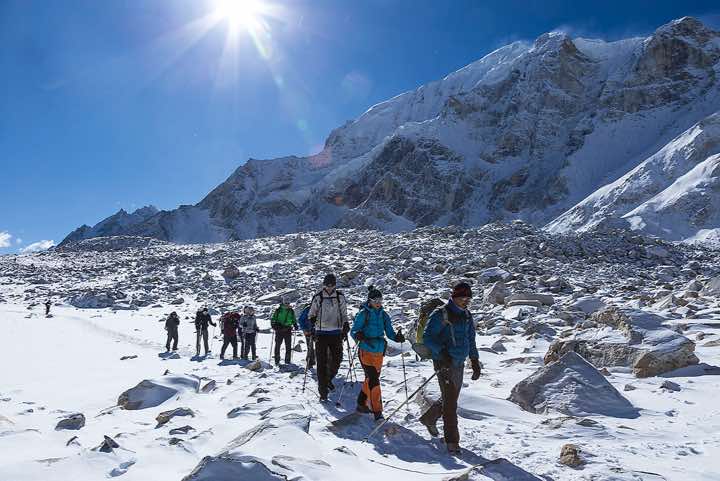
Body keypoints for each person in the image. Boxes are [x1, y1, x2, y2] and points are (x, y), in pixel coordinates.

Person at [418, 282, 482, 454]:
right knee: (451, 403)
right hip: (443, 362)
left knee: (450, 398)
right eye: (462, 297)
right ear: (454, 297)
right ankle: (452, 442)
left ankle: (429, 418)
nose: (465, 301)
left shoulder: (467, 315)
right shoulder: (441, 314)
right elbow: (428, 337)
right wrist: (443, 353)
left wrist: (474, 360)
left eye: (468, 298)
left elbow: (471, 338)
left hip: (458, 362)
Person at [351, 286, 405, 421]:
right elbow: (354, 331)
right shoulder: (364, 313)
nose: (378, 302)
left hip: (379, 352)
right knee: (374, 380)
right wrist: (358, 335)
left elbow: (390, 332)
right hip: (365, 350)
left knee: (371, 379)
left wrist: (397, 338)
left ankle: (361, 403)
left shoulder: (384, 315)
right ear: (369, 301)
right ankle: (377, 411)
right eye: (375, 300)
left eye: (380, 300)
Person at [308, 273, 349, 402]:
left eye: (332, 285)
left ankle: (327, 380)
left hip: (336, 332)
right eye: (327, 285)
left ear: (335, 285)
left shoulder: (340, 297)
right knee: (321, 363)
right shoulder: (318, 297)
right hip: (321, 333)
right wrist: (312, 325)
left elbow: (344, 313)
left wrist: (346, 325)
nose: (329, 287)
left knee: (337, 359)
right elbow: (311, 314)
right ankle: (323, 392)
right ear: (324, 285)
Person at [271, 297, 298, 365]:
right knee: (278, 345)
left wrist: (295, 324)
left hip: (288, 329)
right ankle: (277, 360)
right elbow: (273, 319)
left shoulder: (291, 311)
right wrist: (274, 326)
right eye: (286, 303)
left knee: (288, 345)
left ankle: (287, 360)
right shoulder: (278, 310)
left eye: (288, 303)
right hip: (279, 329)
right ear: (283, 302)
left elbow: (293, 319)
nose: (287, 304)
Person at [297, 303, 315, 368]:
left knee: (320, 347)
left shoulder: (321, 308)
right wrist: (304, 329)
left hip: (318, 331)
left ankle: (314, 361)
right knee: (310, 347)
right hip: (309, 331)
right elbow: (301, 320)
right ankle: (310, 362)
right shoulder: (307, 309)